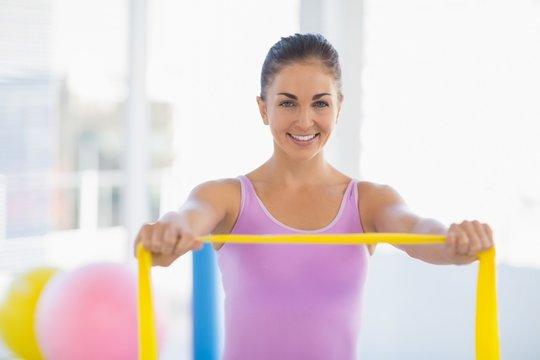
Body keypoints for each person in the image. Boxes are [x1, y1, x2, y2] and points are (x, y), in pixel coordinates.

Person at [134, 33, 494, 360]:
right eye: (288, 104)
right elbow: (187, 219)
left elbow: (417, 230)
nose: (305, 121)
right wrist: (167, 232)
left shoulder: (368, 201)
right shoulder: (226, 197)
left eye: (320, 104)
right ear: (264, 109)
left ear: (339, 107)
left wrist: (456, 242)